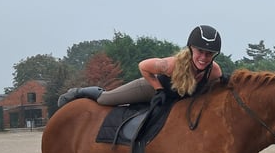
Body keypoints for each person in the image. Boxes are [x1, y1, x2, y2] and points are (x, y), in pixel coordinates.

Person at [58, 25, 224, 107]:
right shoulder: (171, 65)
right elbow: (143, 66)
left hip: (174, 101)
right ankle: (79, 92)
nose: (203, 57)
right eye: (200, 51)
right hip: (150, 87)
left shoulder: (214, 71)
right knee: (106, 100)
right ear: (191, 49)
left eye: (209, 54)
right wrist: (159, 90)